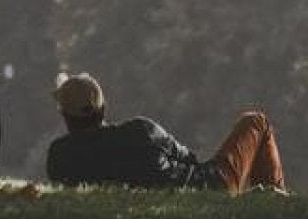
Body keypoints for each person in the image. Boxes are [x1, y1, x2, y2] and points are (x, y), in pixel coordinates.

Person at [45, 72, 286, 195]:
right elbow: (189, 159)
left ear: (65, 116)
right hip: (207, 187)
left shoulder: (59, 156)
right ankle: (277, 200)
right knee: (256, 122)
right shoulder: (140, 130)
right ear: (103, 108)